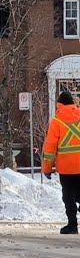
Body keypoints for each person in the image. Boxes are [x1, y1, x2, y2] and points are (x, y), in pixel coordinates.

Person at [42, 91, 80, 234]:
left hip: (67, 168)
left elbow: (50, 148)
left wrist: (46, 168)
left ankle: (72, 225)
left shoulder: (56, 122)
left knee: (68, 196)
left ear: (60, 105)